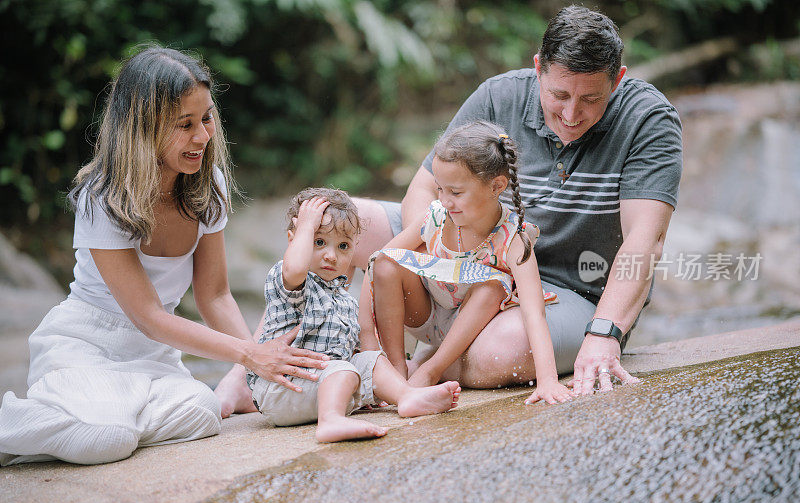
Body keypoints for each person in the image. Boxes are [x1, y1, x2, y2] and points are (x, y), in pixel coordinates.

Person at [0, 47, 329, 466]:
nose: (203, 136)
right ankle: (24, 423)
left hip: (153, 356)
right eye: (185, 125)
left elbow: (214, 295)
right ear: (143, 127)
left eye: (206, 118)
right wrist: (248, 356)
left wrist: (259, 370)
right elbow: (149, 317)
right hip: (87, 345)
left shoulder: (207, 183)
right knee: (108, 439)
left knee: (203, 412)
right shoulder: (103, 198)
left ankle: (98, 419)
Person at [350, 5, 683, 396]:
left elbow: (645, 240)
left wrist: (605, 333)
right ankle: (280, 375)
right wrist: (444, 258)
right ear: (538, 68)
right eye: (558, 94)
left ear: (617, 80)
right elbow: (423, 190)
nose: (572, 114)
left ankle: (410, 369)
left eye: (591, 99)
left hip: (566, 292)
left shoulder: (647, 119)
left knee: (503, 351)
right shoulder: (497, 96)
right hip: (461, 254)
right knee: (340, 219)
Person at [361, 122, 572, 405]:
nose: (446, 201)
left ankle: (429, 371)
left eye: (456, 192)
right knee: (387, 263)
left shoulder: (513, 239)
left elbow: (535, 313)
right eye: (439, 190)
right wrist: (369, 344)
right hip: (425, 316)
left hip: (474, 332)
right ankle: (398, 373)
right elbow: (377, 263)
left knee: (491, 286)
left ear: (496, 185)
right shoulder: (435, 217)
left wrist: (548, 381)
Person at [247, 188, 461, 443]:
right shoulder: (293, 283)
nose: (331, 255)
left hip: (321, 386)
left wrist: (375, 385)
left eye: (343, 246)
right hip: (283, 390)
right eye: (319, 242)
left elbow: (362, 344)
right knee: (342, 369)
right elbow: (294, 267)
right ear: (294, 239)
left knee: (368, 359)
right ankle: (330, 421)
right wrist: (305, 228)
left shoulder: (343, 298)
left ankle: (406, 396)